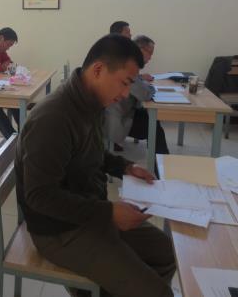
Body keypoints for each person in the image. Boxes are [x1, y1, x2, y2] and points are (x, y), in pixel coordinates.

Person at [15, 35, 175, 297]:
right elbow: (40, 196)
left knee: (166, 252)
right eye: (124, 83)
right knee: (156, 293)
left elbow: (92, 152)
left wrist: (124, 167)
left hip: (88, 211)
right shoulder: (52, 119)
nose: (126, 94)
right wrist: (108, 213)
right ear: (98, 69)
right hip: (58, 230)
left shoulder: (91, 102)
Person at [106, 36, 169, 164]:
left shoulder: (123, 61)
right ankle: (161, 167)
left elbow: (135, 83)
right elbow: (145, 94)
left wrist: (140, 78)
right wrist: (151, 88)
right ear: (139, 49)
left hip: (119, 113)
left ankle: (160, 163)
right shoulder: (128, 67)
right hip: (116, 121)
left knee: (151, 119)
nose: (150, 58)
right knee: (154, 125)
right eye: (149, 53)